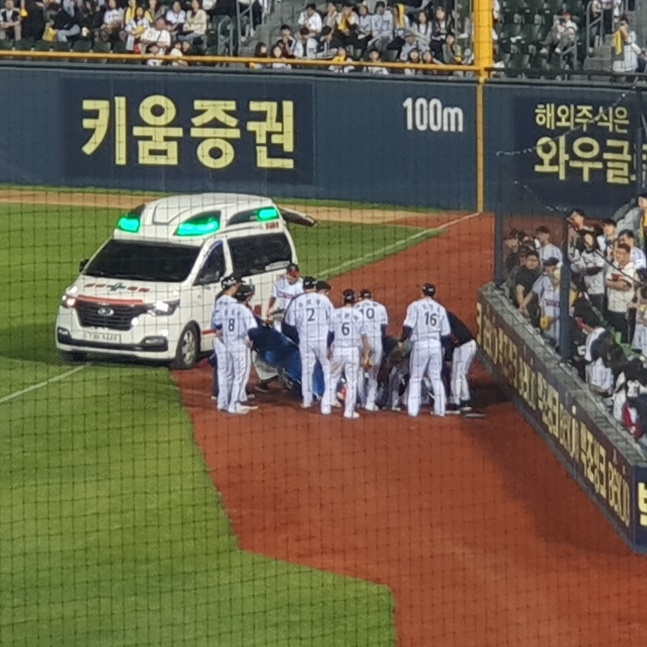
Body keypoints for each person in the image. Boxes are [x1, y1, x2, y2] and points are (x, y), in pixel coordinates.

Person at [283, 276, 334, 413]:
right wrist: (331, 341)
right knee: (327, 369)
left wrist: (299, 335)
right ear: (315, 286)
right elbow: (333, 321)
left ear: (303, 287)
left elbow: (289, 324)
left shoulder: (296, 301)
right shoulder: (323, 299)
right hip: (323, 340)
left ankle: (307, 401)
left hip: (305, 341)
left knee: (307, 371)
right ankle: (328, 401)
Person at [400, 283, 451, 417]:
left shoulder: (415, 306)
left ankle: (413, 410)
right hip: (436, 344)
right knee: (436, 377)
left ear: (422, 293)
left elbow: (408, 327)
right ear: (434, 294)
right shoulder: (440, 309)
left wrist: (401, 340)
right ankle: (440, 410)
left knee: (416, 377)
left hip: (420, 344)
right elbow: (446, 333)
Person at [215, 282, 259, 415]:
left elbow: (218, 324)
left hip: (227, 345)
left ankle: (223, 402)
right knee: (240, 376)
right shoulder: (245, 311)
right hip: (240, 346)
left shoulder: (228, 308)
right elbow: (252, 330)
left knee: (228, 374)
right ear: (247, 297)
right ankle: (234, 405)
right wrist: (251, 341)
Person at [330, 289, 372, 420]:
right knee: (352, 382)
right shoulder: (359, 315)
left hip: (338, 350)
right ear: (354, 300)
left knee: (332, 377)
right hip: (353, 351)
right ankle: (349, 412)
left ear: (343, 299)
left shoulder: (335, 313)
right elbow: (364, 338)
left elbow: (330, 334)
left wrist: (328, 349)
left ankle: (327, 404)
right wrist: (366, 355)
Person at [354, 288, 388, 411]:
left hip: (361, 341)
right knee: (373, 374)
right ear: (371, 297)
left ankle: (362, 401)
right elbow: (383, 329)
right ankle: (370, 403)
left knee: (359, 372)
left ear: (360, 297)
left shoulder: (356, 307)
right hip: (376, 340)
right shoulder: (380, 307)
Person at [210, 274, 240, 411]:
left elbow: (215, 323)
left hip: (219, 340)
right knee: (232, 371)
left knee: (223, 371)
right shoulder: (233, 303)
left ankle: (222, 402)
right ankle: (231, 402)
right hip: (229, 340)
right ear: (233, 286)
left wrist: (219, 330)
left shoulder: (219, 300)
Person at [444, 310, 477, 415]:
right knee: (461, 374)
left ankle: (455, 403)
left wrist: (448, 357)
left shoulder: (444, 318)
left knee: (456, 374)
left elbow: (447, 339)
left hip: (464, 346)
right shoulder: (446, 315)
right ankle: (465, 400)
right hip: (467, 345)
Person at [606, 242, 636, 342]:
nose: (617, 255)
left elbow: (625, 286)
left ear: (627, 254)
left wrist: (612, 283)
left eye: (620, 253)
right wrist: (617, 284)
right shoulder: (613, 265)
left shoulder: (632, 268)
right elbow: (606, 282)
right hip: (611, 306)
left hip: (623, 308)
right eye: (617, 252)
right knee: (612, 335)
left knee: (623, 336)